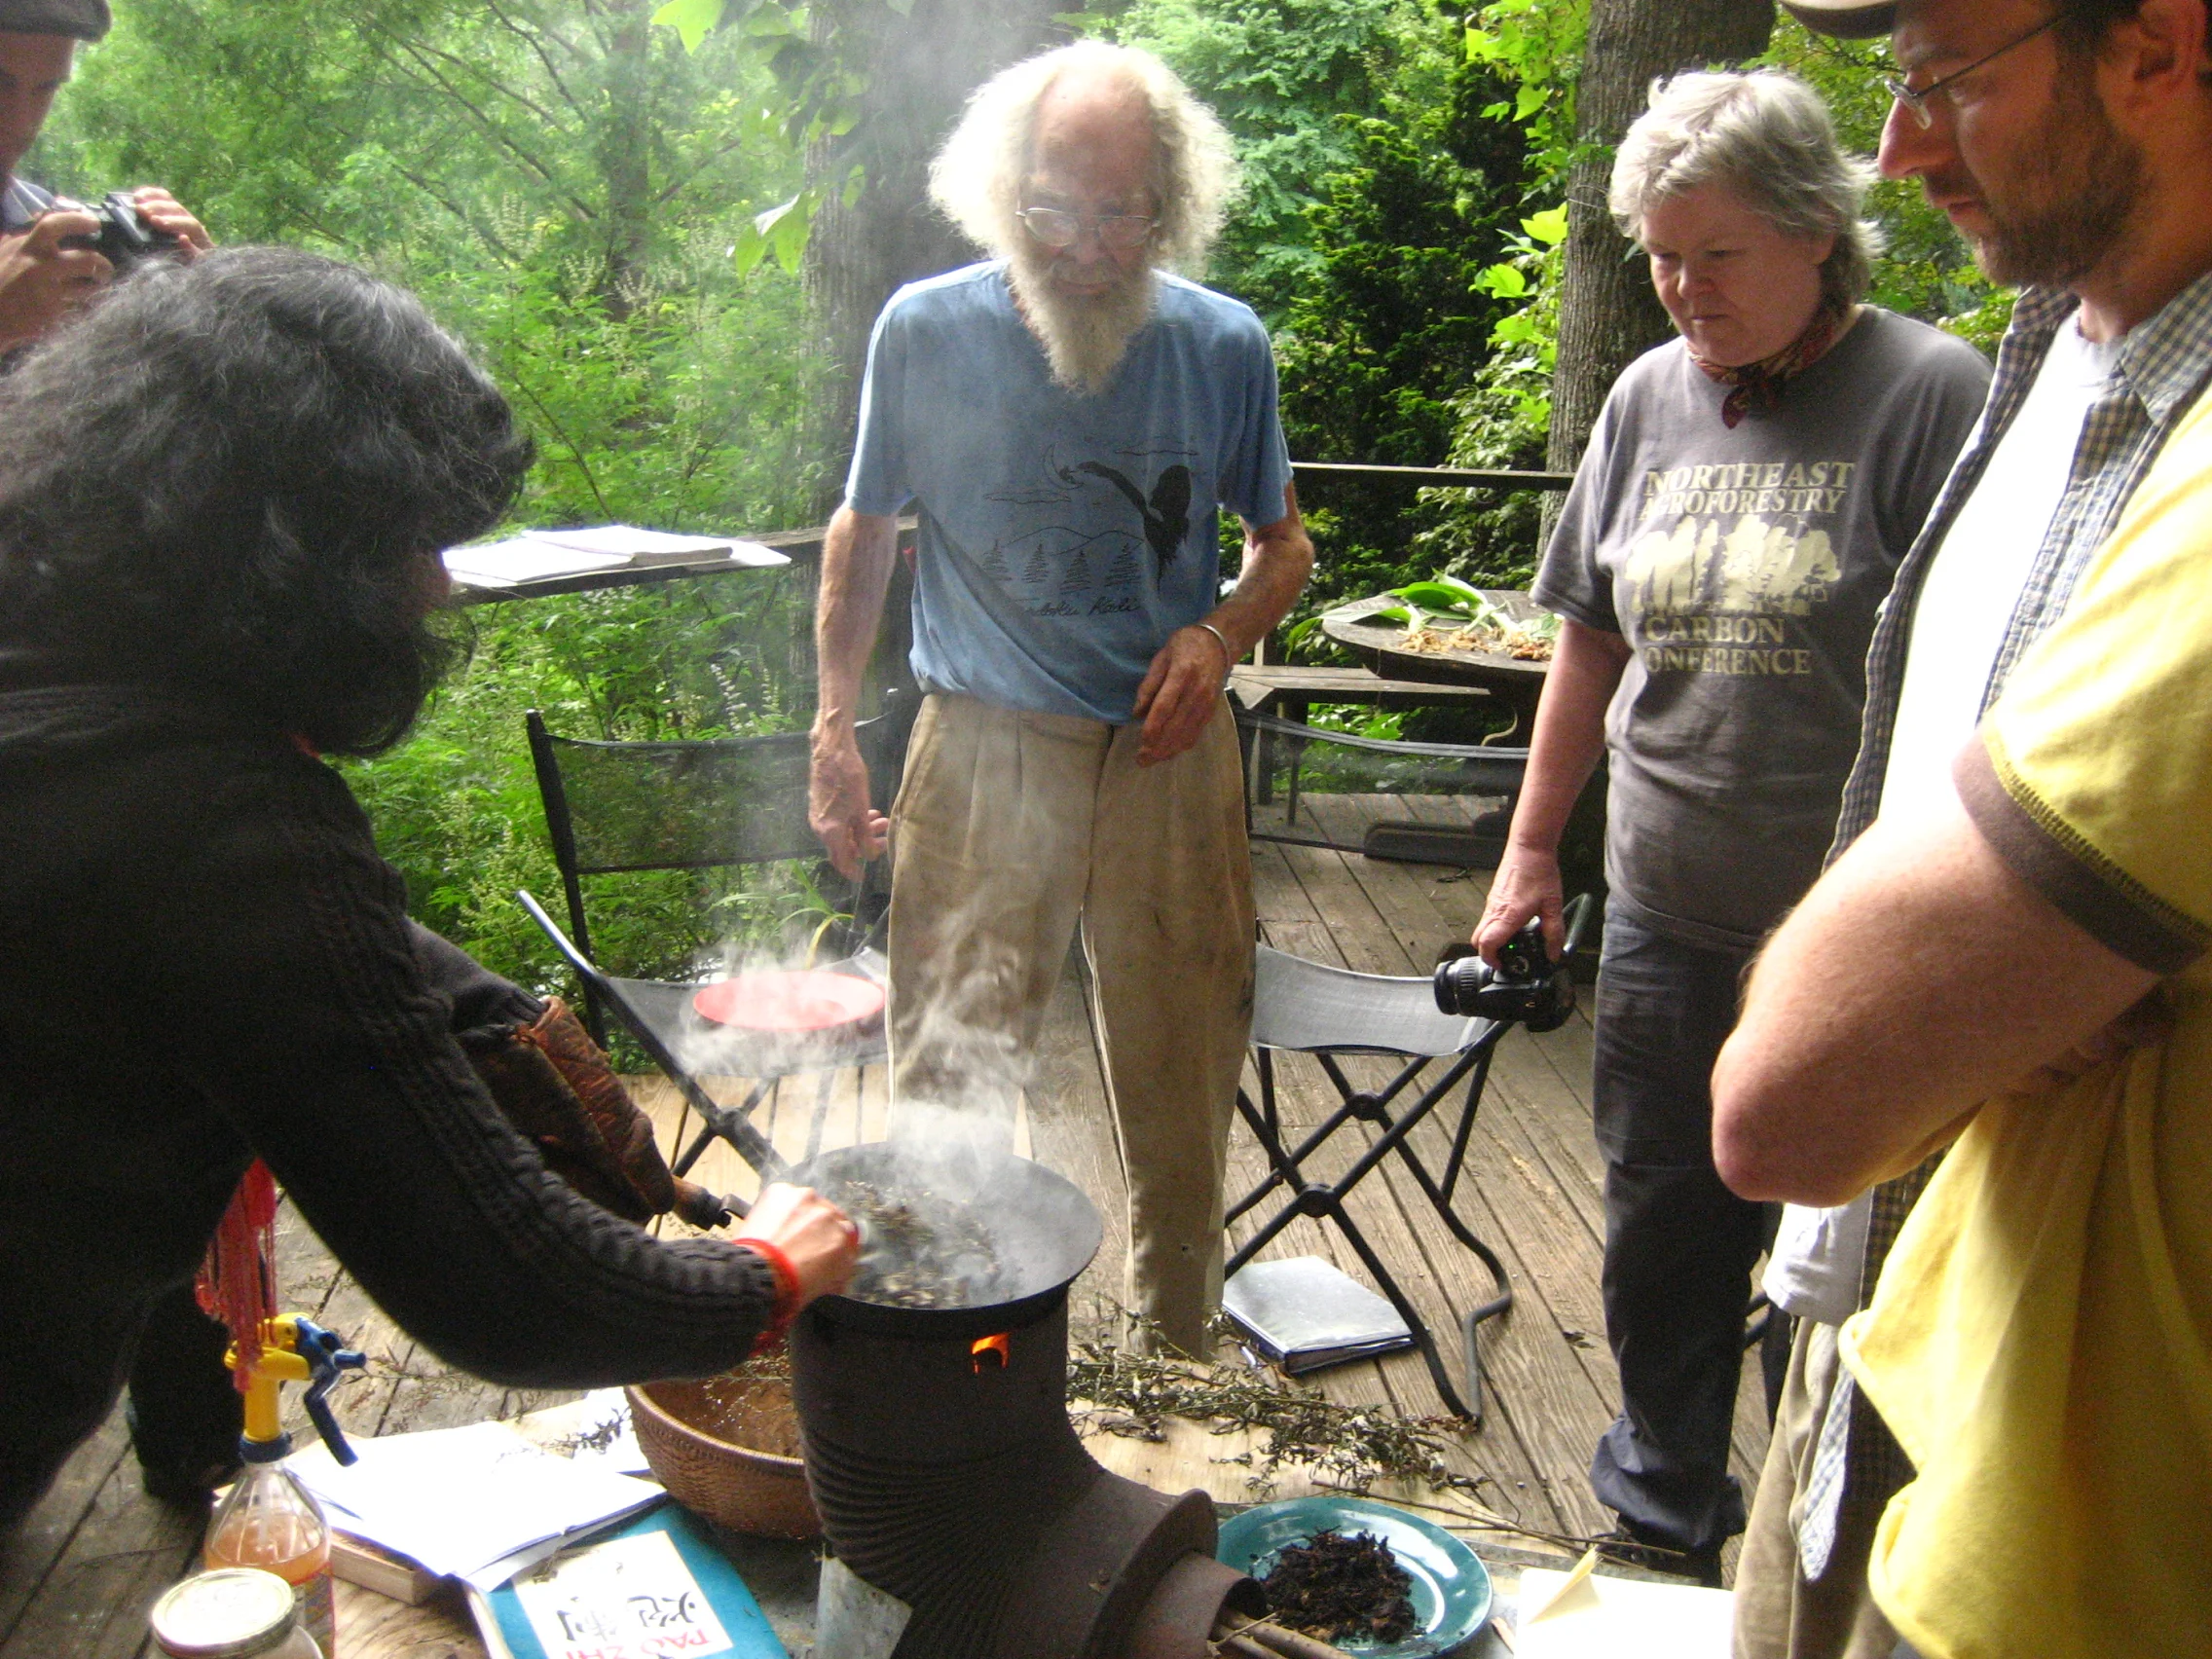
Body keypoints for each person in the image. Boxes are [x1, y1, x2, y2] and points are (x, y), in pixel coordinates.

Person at [0, 248, 860, 1529]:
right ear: (300, 552)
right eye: (418, 545)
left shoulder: (73, 692)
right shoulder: (226, 821)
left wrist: (499, 1021)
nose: (441, 586)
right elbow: (510, 1292)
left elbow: (286, 944)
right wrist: (765, 1277)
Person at [1719, 1, 2212, 1655]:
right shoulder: (2062, 345)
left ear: (2157, 45)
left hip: (2075, 1470)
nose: (1895, 148)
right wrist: (1980, 986)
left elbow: (1793, 1084)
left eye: (1943, 79)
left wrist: (1918, 994)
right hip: (1871, 1308)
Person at [1471, 70, 1990, 1583]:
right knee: (1657, 1227)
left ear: (1820, 235)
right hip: (1659, 910)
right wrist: (1527, 854)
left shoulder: (1931, 394)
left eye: (1719, 255)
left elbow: (1978, 679)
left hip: (1848, 932)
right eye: (1661, 256)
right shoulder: (1646, 400)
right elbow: (1585, 640)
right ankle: (1663, 1508)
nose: (1684, 289)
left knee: (1832, 1254)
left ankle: (1811, 1529)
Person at [806, 41, 1312, 1357]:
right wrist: (832, 727)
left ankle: (1181, 1363)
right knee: (946, 1075)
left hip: (1169, 758)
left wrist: (1218, 630)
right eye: (1054, 209)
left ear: (1171, 203)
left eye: (1119, 215)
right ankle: (938, 1349)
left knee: (1182, 1075)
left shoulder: (1223, 346)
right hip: (979, 753)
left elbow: (1285, 547)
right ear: (1002, 189)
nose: (1085, 246)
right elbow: (863, 530)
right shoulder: (925, 328)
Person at [0, 0, 209, 355]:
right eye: (1, 84)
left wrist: (207, 301)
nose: (21, 122)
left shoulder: (47, 232)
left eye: (46, 88)